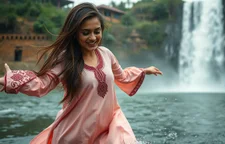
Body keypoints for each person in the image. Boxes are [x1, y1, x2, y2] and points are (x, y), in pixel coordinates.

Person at [0, 2, 163, 144]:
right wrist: (10, 80)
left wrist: (143, 71)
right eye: (86, 33)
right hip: (75, 134)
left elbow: (122, 76)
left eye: (97, 31)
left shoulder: (106, 54)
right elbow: (43, 84)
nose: (93, 37)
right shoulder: (66, 59)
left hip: (108, 128)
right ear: (75, 33)